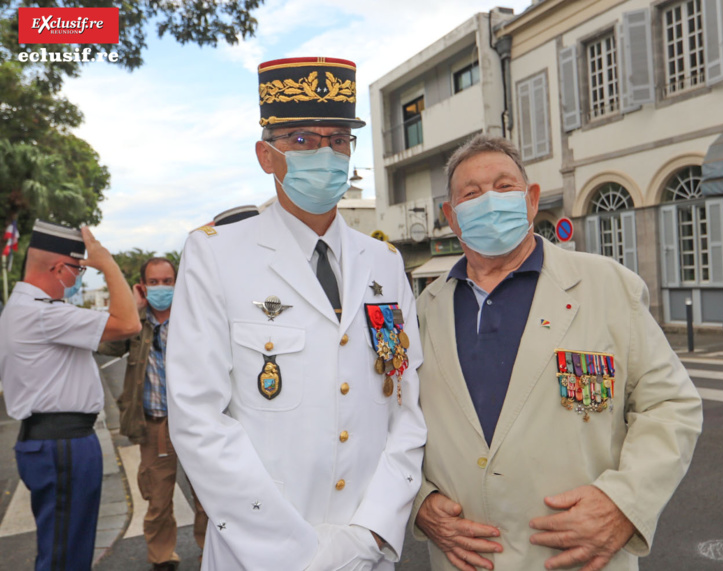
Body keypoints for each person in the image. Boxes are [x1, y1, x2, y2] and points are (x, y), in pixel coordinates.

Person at [165, 57, 426, 571]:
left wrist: (371, 531)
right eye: (303, 140)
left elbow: (406, 409)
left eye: (338, 139)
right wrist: (296, 552)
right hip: (258, 553)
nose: (325, 154)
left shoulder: (385, 263)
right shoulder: (216, 254)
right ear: (267, 155)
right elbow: (198, 420)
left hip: (365, 552)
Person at [410, 135, 703, 571]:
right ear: (451, 217)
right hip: (464, 561)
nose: (489, 201)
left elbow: (671, 405)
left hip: (579, 561)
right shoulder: (422, 311)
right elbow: (391, 423)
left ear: (530, 201)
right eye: (471, 194)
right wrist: (419, 502)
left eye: (504, 187)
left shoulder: (608, 286)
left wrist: (625, 504)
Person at [0, 221, 140, 571]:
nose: (79, 277)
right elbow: (129, 324)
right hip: (62, 443)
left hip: (53, 440)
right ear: (59, 268)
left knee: (66, 548)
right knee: (65, 557)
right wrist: (106, 262)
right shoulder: (43, 313)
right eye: (78, 269)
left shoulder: (24, 309)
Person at [98, 257, 208, 570]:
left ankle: (210, 551)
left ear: (178, 282)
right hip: (155, 425)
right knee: (158, 500)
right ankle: (162, 558)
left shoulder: (195, 319)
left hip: (196, 423)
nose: (161, 287)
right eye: (154, 282)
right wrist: (130, 307)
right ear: (143, 286)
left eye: (167, 281)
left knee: (208, 496)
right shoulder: (135, 323)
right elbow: (104, 344)